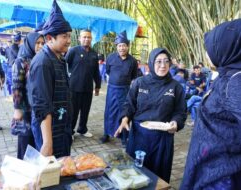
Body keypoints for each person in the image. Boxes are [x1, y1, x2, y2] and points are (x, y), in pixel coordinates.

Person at [180, 19, 241, 190]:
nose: (207, 54)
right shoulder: (226, 74)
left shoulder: (236, 82)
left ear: (227, 47)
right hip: (209, 165)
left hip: (220, 175)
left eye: (211, 48)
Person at [115, 48, 187, 182]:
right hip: (139, 137)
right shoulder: (139, 82)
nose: (163, 65)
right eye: (158, 61)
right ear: (151, 63)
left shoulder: (175, 87)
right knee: (134, 175)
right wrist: (125, 119)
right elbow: (129, 105)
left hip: (163, 139)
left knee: (158, 178)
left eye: (166, 61)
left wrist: (176, 123)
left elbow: (180, 111)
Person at [28, 0, 72, 158]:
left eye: (69, 36)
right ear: (49, 38)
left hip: (61, 125)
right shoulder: (42, 63)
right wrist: (47, 142)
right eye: (64, 36)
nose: (68, 40)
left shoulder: (60, 58)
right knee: (51, 174)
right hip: (50, 131)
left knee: (62, 168)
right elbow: (42, 104)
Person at [100, 30, 138, 145]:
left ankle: (124, 137)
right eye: (120, 46)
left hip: (125, 90)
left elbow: (133, 76)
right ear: (117, 46)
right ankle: (106, 134)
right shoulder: (111, 58)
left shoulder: (133, 61)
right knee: (109, 112)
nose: (122, 48)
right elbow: (108, 71)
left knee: (124, 112)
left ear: (128, 46)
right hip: (112, 90)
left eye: (124, 45)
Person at [12, 32, 44, 159]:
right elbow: (16, 87)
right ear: (30, 44)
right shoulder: (20, 62)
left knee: (36, 142)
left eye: (42, 43)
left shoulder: (40, 60)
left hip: (37, 109)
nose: (40, 46)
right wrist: (17, 109)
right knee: (25, 143)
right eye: (37, 43)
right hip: (25, 110)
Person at [65, 29, 101, 138]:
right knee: (73, 112)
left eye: (89, 37)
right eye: (84, 37)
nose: (86, 39)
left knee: (85, 111)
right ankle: (70, 131)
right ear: (79, 38)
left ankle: (82, 129)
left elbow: (96, 71)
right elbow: (64, 65)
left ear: (91, 39)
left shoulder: (94, 54)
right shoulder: (73, 51)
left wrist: (98, 86)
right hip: (74, 88)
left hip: (88, 88)